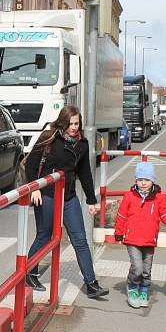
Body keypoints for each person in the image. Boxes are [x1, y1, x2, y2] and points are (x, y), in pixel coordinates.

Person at [24, 105, 108, 298]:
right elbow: (31, 164)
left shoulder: (82, 144)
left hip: (68, 197)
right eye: (70, 123)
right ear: (63, 122)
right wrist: (34, 188)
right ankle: (29, 273)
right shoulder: (49, 137)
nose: (73, 127)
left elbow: (85, 173)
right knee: (44, 236)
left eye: (76, 123)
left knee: (80, 240)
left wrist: (91, 200)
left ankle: (92, 284)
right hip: (46, 194)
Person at [113, 162, 166, 309]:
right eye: (140, 180)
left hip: (149, 240)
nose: (143, 183)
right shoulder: (129, 196)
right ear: (136, 181)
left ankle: (144, 291)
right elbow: (121, 216)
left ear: (153, 180)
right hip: (132, 239)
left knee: (147, 270)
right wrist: (118, 233)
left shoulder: (159, 198)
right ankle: (132, 286)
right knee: (137, 267)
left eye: (146, 179)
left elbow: (165, 215)